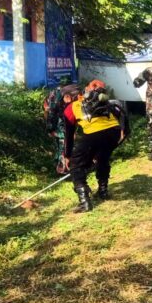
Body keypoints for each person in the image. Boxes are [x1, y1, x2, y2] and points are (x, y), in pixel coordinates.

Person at [63, 80, 124, 213]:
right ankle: (103, 191)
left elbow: (69, 135)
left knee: (75, 165)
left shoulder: (72, 107)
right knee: (102, 158)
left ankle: (84, 202)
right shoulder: (107, 104)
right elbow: (120, 118)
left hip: (94, 134)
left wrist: (67, 155)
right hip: (114, 132)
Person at [43, 77, 71, 174]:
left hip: (56, 122)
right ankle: (62, 168)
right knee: (63, 144)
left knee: (59, 145)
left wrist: (49, 128)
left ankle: (58, 166)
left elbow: (47, 109)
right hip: (60, 123)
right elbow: (52, 111)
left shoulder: (52, 93)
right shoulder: (61, 94)